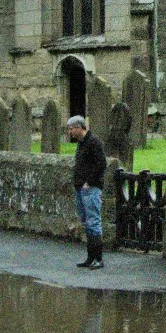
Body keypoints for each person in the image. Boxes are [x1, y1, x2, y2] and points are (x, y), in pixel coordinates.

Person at [67, 115, 107, 269]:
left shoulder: (93, 142)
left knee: (93, 222)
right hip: (81, 189)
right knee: (86, 221)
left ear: (79, 127)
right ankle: (90, 258)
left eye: (71, 129)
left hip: (90, 189)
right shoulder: (82, 143)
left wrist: (88, 182)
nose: (70, 132)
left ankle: (98, 259)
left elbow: (101, 164)